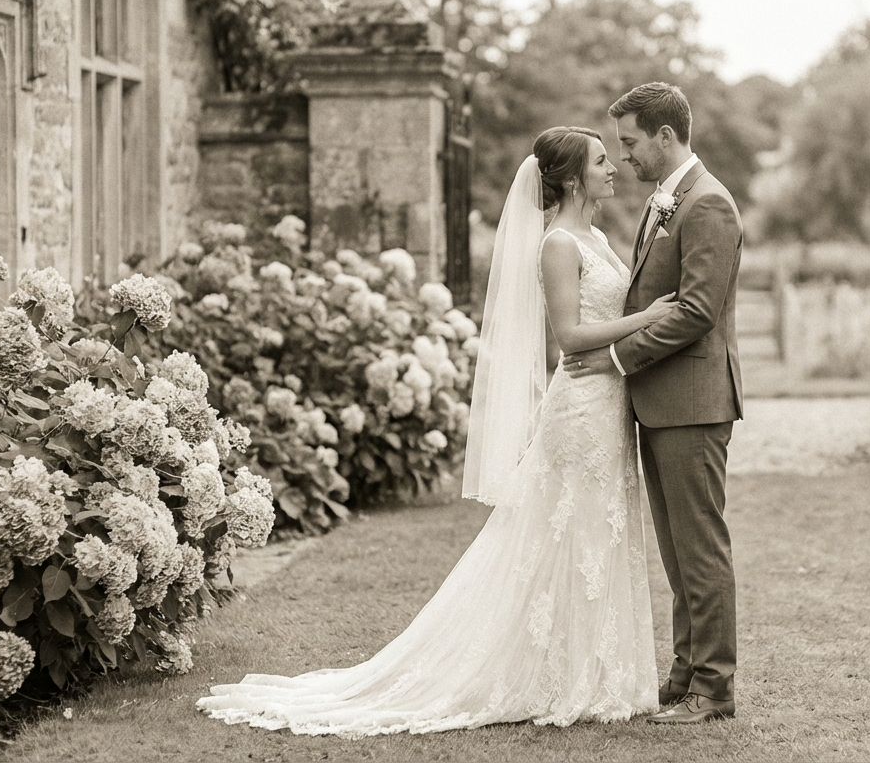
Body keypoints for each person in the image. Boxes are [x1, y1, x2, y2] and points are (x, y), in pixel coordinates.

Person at [198, 126, 678, 737]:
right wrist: (647, 318)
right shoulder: (559, 244)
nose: (614, 168)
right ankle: (551, 674)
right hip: (580, 410)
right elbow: (569, 337)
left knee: (599, 531)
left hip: (608, 404)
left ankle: (602, 673)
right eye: (602, 161)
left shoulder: (598, 236)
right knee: (564, 535)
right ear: (570, 177)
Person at [565, 82, 745, 724]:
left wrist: (615, 358)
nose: (625, 157)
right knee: (674, 548)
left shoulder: (708, 205)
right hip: (661, 402)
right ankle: (685, 671)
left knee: (699, 546)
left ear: (665, 137)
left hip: (693, 402)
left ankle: (714, 687)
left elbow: (697, 311)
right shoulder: (665, 201)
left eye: (631, 143)